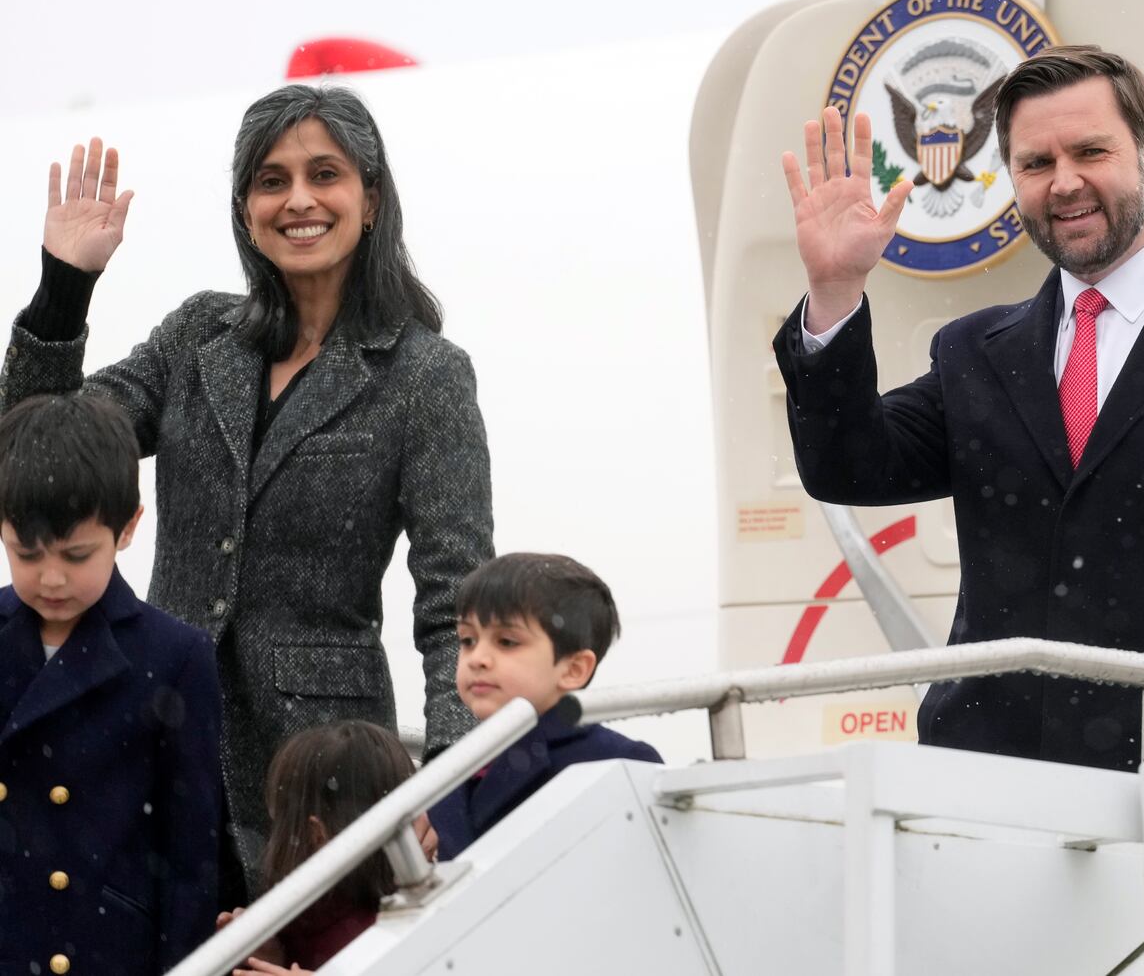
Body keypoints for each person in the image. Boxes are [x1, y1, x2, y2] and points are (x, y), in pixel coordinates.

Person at [774, 44, 1144, 792]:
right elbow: (848, 466)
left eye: (1091, 151)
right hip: (987, 786)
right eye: (1036, 163)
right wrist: (835, 291)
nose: (1064, 183)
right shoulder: (976, 353)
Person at [0, 85, 495, 894]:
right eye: (271, 179)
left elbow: (456, 602)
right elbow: (38, 455)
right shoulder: (199, 335)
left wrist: (449, 777)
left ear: (370, 200)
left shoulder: (426, 376)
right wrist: (64, 289)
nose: (298, 199)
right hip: (155, 736)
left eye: (324, 174)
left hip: (326, 778)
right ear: (245, 207)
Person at [0, 392, 222, 974]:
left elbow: (191, 850)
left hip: (98, 948)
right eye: (26, 553)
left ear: (127, 529)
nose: (50, 577)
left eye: (76, 555)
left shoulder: (176, 655)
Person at [429, 553, 662, 860]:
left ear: (574, 669)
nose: (477, 658)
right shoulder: (446, 776)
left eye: (507, 642)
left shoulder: (617, 764)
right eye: (468, 640)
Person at [220, 720, 415, 975]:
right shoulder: (409, 915)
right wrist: (272, 956)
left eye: (279, 821)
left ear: (317, 834)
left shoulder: (380, 937)